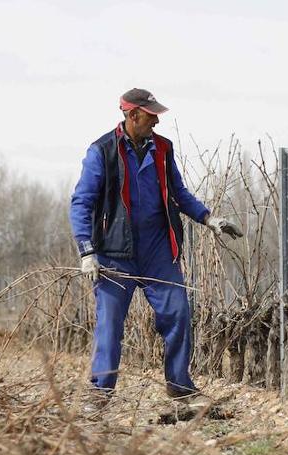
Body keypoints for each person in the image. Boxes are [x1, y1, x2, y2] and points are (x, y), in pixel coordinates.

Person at [69, 88, 243, 412]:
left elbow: (179, 192)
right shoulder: (102, 151)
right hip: (114, 253)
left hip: (157, 249)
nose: (156, 122)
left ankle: (180, 387)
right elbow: (81, 202)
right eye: (151, 116)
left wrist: (209, 218)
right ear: (132, 115)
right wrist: (86, 250)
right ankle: (99, 394)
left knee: (178, 311)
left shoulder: (163, 149)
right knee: (110, 324)